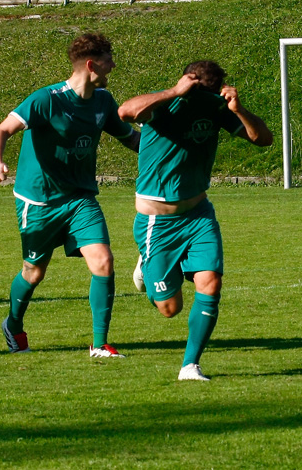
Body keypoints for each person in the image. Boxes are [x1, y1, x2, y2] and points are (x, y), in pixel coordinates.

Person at [0, 32, 139, 358]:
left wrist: (169, 148)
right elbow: (2, 130)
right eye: (108, 58)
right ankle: (13, 324)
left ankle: (100, 344)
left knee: (104, 262)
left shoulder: (103, 101)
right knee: (34, 272)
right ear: (91, 64)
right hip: (39, 201)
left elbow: (131, 139)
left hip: (80, 199)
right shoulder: (47, 99)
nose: (113, 64)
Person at [118, 61, 271, 380]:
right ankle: (147, 264)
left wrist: (239, 109)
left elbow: (263, 139)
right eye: (201, 90)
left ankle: (190, 365)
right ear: (188, 82)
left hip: (199, 215)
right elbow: (126, 113)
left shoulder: (217, 107)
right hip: (156, 223)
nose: (206, 96)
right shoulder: (163, 103)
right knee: (169, 308)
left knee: (211, 284)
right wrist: (175, 91)